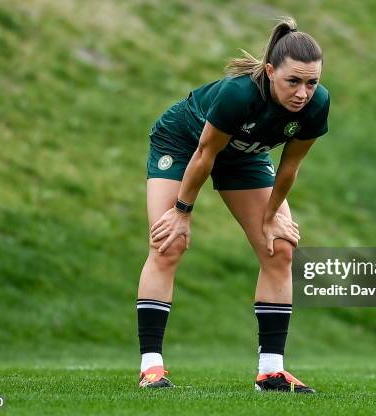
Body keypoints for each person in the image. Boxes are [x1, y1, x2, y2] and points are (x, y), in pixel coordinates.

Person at [137, 16, 330, 393]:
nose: (303, 93)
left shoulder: (315, 105)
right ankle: (151, 368)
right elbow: (204, 155)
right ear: (271, 71)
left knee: (281, 249)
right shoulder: (238, 94)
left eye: (312, 82)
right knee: (168, 243)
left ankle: (271, 373)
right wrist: (181, 212)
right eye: (293, 81)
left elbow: (289, 167)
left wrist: (272, 217)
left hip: (244, 155)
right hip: (184, 143)